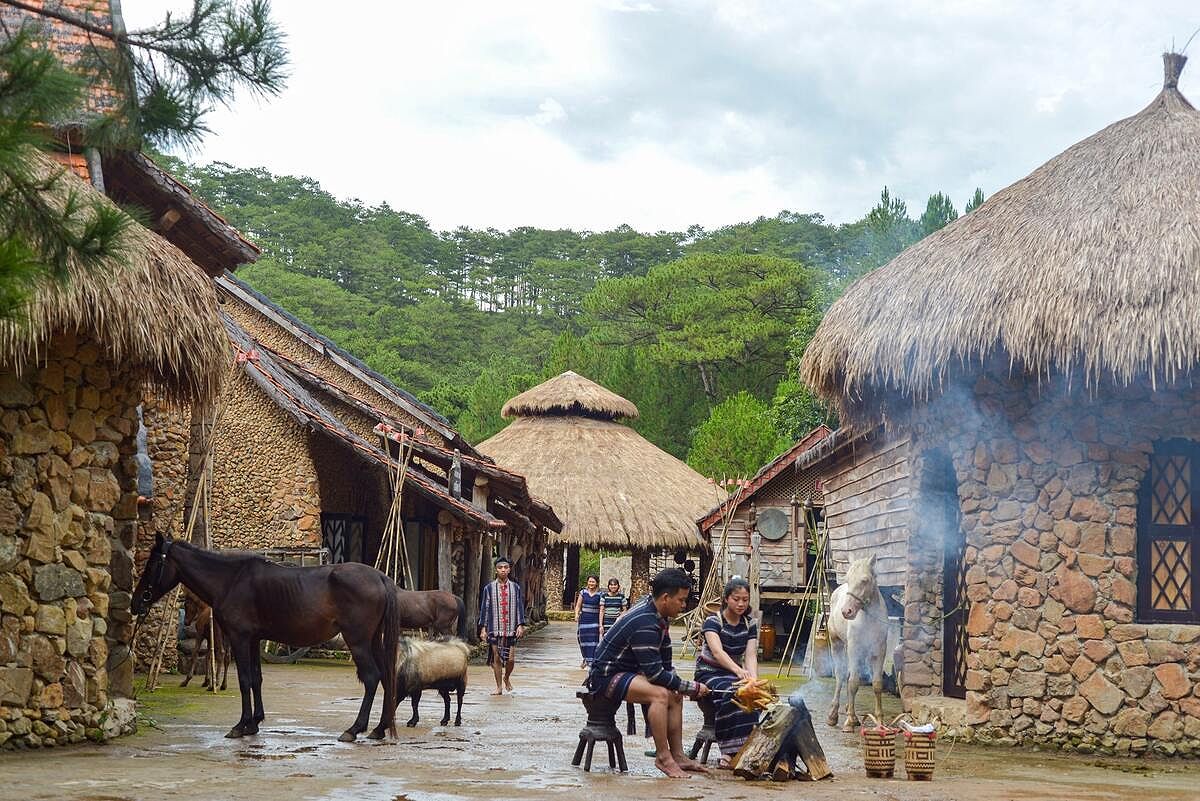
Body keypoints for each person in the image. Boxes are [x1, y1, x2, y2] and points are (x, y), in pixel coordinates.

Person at [588, 568, 711, 779]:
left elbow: (664, 664)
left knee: (674, 694)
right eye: (681, 600)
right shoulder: (645, 622)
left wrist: (680, 687)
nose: (684, 605)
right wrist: (693, 687)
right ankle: (663, 756)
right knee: (660, 694)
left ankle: (678, 755)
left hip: (629, 671)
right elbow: (655, 675)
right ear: (665, 597)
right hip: (606, 675)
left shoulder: (657, 613)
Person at [695, 577, 759, 768]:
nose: (741, 603)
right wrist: (739, 671)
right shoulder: (712, 621)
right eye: (736, 599)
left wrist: (753, 679)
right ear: (726, 599)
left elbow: (751, 655)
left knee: (751, 694)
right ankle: (729, 752)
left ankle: (746, 748)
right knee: (733, 693)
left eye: (745, 599)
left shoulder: (750, 624)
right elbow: (717, 652)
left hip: (733, 674)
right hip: (709, 672)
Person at [478, 556, 526, 695]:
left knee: (510, 659)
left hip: (511, 628)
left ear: (509, 569)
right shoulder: (489, 588)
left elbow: (519, 607)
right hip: (494, 628)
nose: (503, 570)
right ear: (496, 570)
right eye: (500, 567)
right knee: (496, 658)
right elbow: (485, 608)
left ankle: (506, 677)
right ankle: (498, 687)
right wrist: (483, 628)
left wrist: (520, 625)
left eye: (505, 567)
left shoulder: (515, 588)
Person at [574, 575, 602, 668]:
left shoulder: (600, 594)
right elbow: (578, 606)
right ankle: (586, 658)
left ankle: (591, 661)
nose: (591, 583)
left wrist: (601, 623)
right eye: (589, 581)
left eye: (593, 582)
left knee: (593, 641)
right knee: (582, 640)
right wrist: (576, 614)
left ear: (596, 583)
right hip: (584, 619)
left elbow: (602, 608)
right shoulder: (583, 592)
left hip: (594, 620)